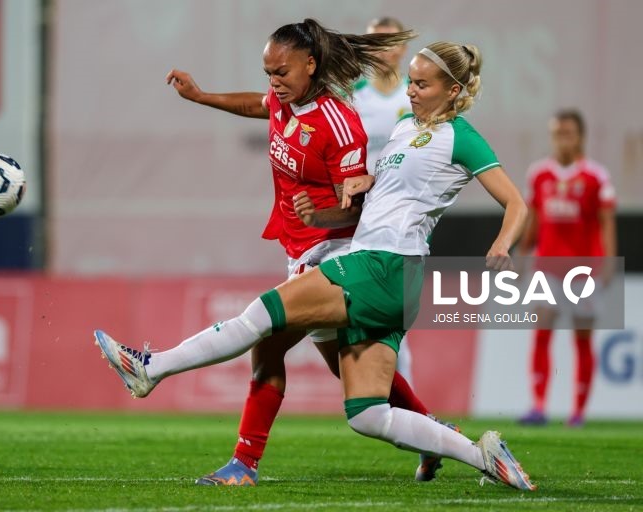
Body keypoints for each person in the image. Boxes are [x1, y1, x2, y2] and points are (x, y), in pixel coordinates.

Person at [95, 39, 535, 491]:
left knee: (261, 317)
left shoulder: (461, 137)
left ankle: (152, 368)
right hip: (389, 277)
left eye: (423, 84)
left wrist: (503, 242)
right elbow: (386, 195)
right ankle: (481, 455)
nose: (411, 91)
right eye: (411, 81)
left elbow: (516, 202)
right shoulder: (406, 127)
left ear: (454, 90)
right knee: (366, 413)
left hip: (384, 265)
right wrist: (364, 183)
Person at [165, 19, 448, 487]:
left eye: (280, 71)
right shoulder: (306, 97)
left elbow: (359, 193)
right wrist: (202, 97)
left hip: (350, 245)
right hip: (311, 240)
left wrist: (330, 213)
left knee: (268, 339)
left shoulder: (385, 108)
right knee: (355, 372)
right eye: (268, 71)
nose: (272, 80)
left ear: (310, 64)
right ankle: (434, 436)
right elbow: (261, 105)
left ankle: (237, 457)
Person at [517, 110, 617, 428]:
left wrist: (609, 262)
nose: (563, 138)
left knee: (582, 339)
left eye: (568, 133)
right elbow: (533, 220)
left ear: (580, 136)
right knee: (542, 331)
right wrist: (522, 251)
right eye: (558, 133)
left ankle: (578, 412)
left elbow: (606, 224)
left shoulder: (595, 177)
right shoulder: (539, 174)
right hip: (547, 266)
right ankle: (538, 406)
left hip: (584, 271)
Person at [352, 16, 415, 386]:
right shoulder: (354, 96)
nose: (382, 47)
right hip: (360, 214)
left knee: (396, 312)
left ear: (403, 47)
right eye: (374, 40)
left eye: (390, 40)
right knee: (367, 307)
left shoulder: (415, 96)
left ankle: (406, 401)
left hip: (401, 215)